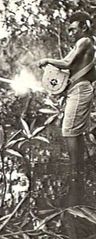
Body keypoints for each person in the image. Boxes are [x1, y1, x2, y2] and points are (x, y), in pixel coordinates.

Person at [38, 12, 96, 206]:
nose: (71, 33)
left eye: (74, 29)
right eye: (69, 29)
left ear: (84, 27)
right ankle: (80, 171)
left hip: (79, 91)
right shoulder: (84, 44)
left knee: (69, 131)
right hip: (78, 90)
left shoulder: (85, 42)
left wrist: (47, 60)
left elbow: (67, 64)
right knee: (76, 132)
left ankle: (75, 173)